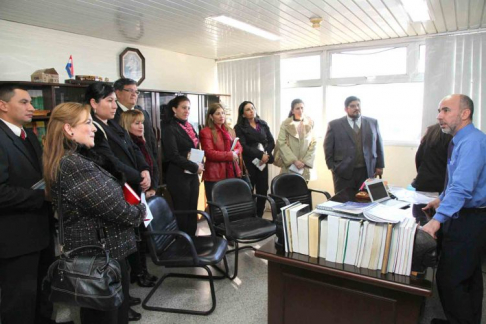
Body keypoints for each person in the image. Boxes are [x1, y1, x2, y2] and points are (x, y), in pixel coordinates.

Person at [43, 102, 145, 324]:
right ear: (69, 130)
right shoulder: (75, 165)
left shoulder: (81, 159)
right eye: (88, 122)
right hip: (100, 260)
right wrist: (141, 208)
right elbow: (120, 211)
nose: (94, 128)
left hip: (108, 255)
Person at [85, 83, 154, 319]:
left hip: (132, 186)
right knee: (118, 254)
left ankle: (124, 299)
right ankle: (120, 304)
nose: (115, 106)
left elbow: (134, 149)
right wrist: (137, 176)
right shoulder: (93, 127)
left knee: (128, 247)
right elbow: (111, 161)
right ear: (94, 104)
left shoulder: (113, 123)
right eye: (109, 101)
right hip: (117, 191)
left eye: (115, 100)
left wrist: (144, 169)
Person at [422, 94, 486, 324]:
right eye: (439, 110)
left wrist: (437, 220)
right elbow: (458, 182)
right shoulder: (461, 140)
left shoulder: (472, 142)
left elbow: (462, 187)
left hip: (469, 220)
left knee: (450, 279)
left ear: (465, 113)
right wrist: (441, 201)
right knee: (470, 277)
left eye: (446, 110)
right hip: (469, 215)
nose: (439, 116)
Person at [0, 84, 57, 324]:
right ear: (3, 105)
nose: (32, 107)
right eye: (24, 102)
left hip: (40, 230)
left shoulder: (28, 134)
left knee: (44, 291)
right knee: (20, 300)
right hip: (15, 237)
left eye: (30, 102)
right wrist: (41, 196)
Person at [324, 96, 384, 194]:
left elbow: (379, 144)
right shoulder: (334, 125)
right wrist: (332, 168)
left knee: (366, 202)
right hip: (343, 172)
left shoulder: (372, 122)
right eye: (352, 106)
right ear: (346, 109)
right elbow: (328, 148)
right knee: (343, 202)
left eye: (358, 105)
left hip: (367, 171)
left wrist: (380, 166)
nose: (356, 108)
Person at [161, 95, 203, 235]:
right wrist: (195, 166)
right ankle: (183, 244)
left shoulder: (189, 126)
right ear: (174, 109)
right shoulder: (169, 128)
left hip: (191, 175)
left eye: (189, 108)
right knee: (182, 211)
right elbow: (172, 155)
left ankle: (193, 241)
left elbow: (195, 148)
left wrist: (199, 163)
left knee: (192, 210)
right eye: (184, 108)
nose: (187, 111)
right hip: (178, 175)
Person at [113, 78, 158, 188]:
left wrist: (154, 182)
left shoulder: (143, 113)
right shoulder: (112, 115)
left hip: (148, 170)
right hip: (127, 177)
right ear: (118, 93)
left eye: (136, 91)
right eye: (129, 90)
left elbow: (151, 145)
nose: (134, 94)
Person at [234, 101, 275, 217]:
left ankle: (260, 216)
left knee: (263, 189)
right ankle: (250, 217)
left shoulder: (262, 124)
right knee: (249, 190)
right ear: (243, 114)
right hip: (249, 162)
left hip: (263, 162)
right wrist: (259, 155)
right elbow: (243, 146)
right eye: (248, 109)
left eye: (253, 108)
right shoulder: (239, 127)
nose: (252, 111)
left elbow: (271, 141)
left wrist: (266, 154)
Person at [411, 123, 452, 225]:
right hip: (442, 187)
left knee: (421, 223)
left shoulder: (431, 133)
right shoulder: (452, 137)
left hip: (423, 184)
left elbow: (418, 159)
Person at [200, 103, 242, 201]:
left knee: (231, 203)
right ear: (211, 116)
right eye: (218, 114)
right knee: (217, 207)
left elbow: (239, 146)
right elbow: (209, 153)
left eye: (223, 113)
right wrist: (230, 155)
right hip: (215, 174)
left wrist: (235, 152)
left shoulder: (230, 130)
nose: (221, 116)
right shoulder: (206, 132)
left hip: (232, 172)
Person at [119, 109, 159, 198]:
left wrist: (153, 188)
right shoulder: (126, 146)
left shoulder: (143, 143)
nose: (141, 126)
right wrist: (144, 192)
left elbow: (154, 166)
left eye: (142, 123)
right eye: (137, 123)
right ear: (127, 126)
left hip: (149, 192)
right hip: (137, 194)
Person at [275, 98, 316, 182]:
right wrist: (294, 160)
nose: (300, 110)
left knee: (302, 189)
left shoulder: (310, 123)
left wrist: (305, 161)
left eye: (302, 108)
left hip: (304, 165)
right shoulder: (286, 124)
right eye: (297, 108)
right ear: (292, 110)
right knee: (288, 188)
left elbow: (313, 143)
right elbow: (281, 142)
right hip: (290, 164)